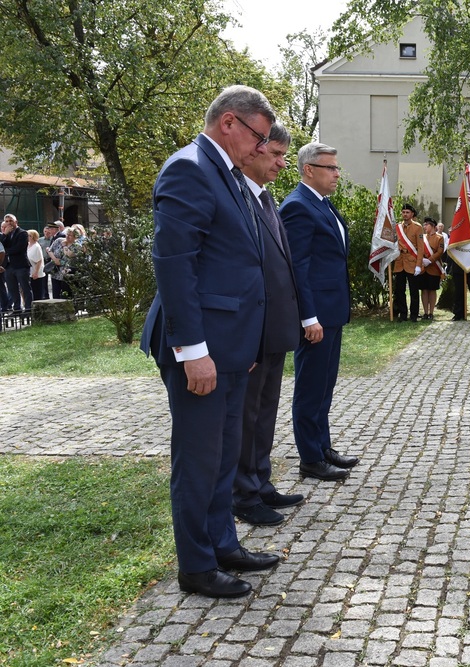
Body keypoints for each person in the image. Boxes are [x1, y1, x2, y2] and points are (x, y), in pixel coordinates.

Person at [139, 85, 280, 599]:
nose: (263, 149)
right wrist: (193, 351)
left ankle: (222, 543)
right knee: (198, 458)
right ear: (229, 124)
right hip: (199, 348)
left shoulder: (228, 173)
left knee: (223, 454)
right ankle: (196, 566)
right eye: (259, 137)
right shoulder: (190, 168)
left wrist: (240, 346)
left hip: (229, 346)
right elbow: (174, 265)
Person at [232, 123, 305, 527]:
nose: (281, 163)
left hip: (273, 327)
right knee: (246, 415)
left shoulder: (265, 199)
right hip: (250, 330)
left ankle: (260, 482)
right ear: (254, 149)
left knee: (264, 412)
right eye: (275, 154)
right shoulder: (237, 194)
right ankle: (242, 492)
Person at [279, 142, 360, 482]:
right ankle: (310, 458)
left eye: (337, 167)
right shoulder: (298, 206)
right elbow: (297, 267)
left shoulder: (322, 204)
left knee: (324, 386)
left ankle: (322, 446)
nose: (337, 174)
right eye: (331, 168)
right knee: (310, 388)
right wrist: (308, 317)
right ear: (309, 169)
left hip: (332, 311)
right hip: (316, 317)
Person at [391, 203, 422, 322]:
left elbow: (420, 248)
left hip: (412, 262)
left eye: (407, 212)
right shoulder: (397, 227)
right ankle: (403, 314)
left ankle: (414, 315)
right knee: (400, 290)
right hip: (399, 262)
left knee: (414, 291)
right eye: (403, 212)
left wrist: (419, 265)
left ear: (412, 214)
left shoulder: (418, 227)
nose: (405, 214)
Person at [2, 214, 31, 312]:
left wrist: (5, 251)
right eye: (6, 221)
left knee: (25, 288)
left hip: (21, 266)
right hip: (8, 266)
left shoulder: (22, 233)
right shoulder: (6, 234)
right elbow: (1, 246)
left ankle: (28, 309)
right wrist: (5, 235)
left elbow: (18, 248)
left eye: (11, 221)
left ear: (16, 222)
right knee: (12, 289)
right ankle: (17, 309)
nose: (9, 223)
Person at [417, 217, 444, 319]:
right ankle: (425, 312)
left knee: (432, 290)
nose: (424, 227)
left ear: (432, 226)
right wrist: (423, 260)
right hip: (423, 268)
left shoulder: (439, 237)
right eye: (424, 225)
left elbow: (440, 251)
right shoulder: (422, 237)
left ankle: (431, 312)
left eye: (426, 225)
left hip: (434, 268)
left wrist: (430, 260)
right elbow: (418, 248)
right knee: (424, 290)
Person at [47, 225, 80, 299]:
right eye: (67, 234)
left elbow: (69, 255)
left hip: (66, 273)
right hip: (55, 272)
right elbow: (50, 250)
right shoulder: (58, 240)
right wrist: (55, 259)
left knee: (66, 294)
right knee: (55, 294)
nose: (67, 236)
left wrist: (65, 246)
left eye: (70, 235)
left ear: (75, 237)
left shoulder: (77, 246)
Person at [26, 230, 46, 301]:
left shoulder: (36, 246)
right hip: (29, 271)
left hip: (36, 272)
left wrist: (36, 272)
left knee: (37, 291)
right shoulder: (27, 245)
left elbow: (39, 260)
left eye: (29, 236)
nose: (28, 237)